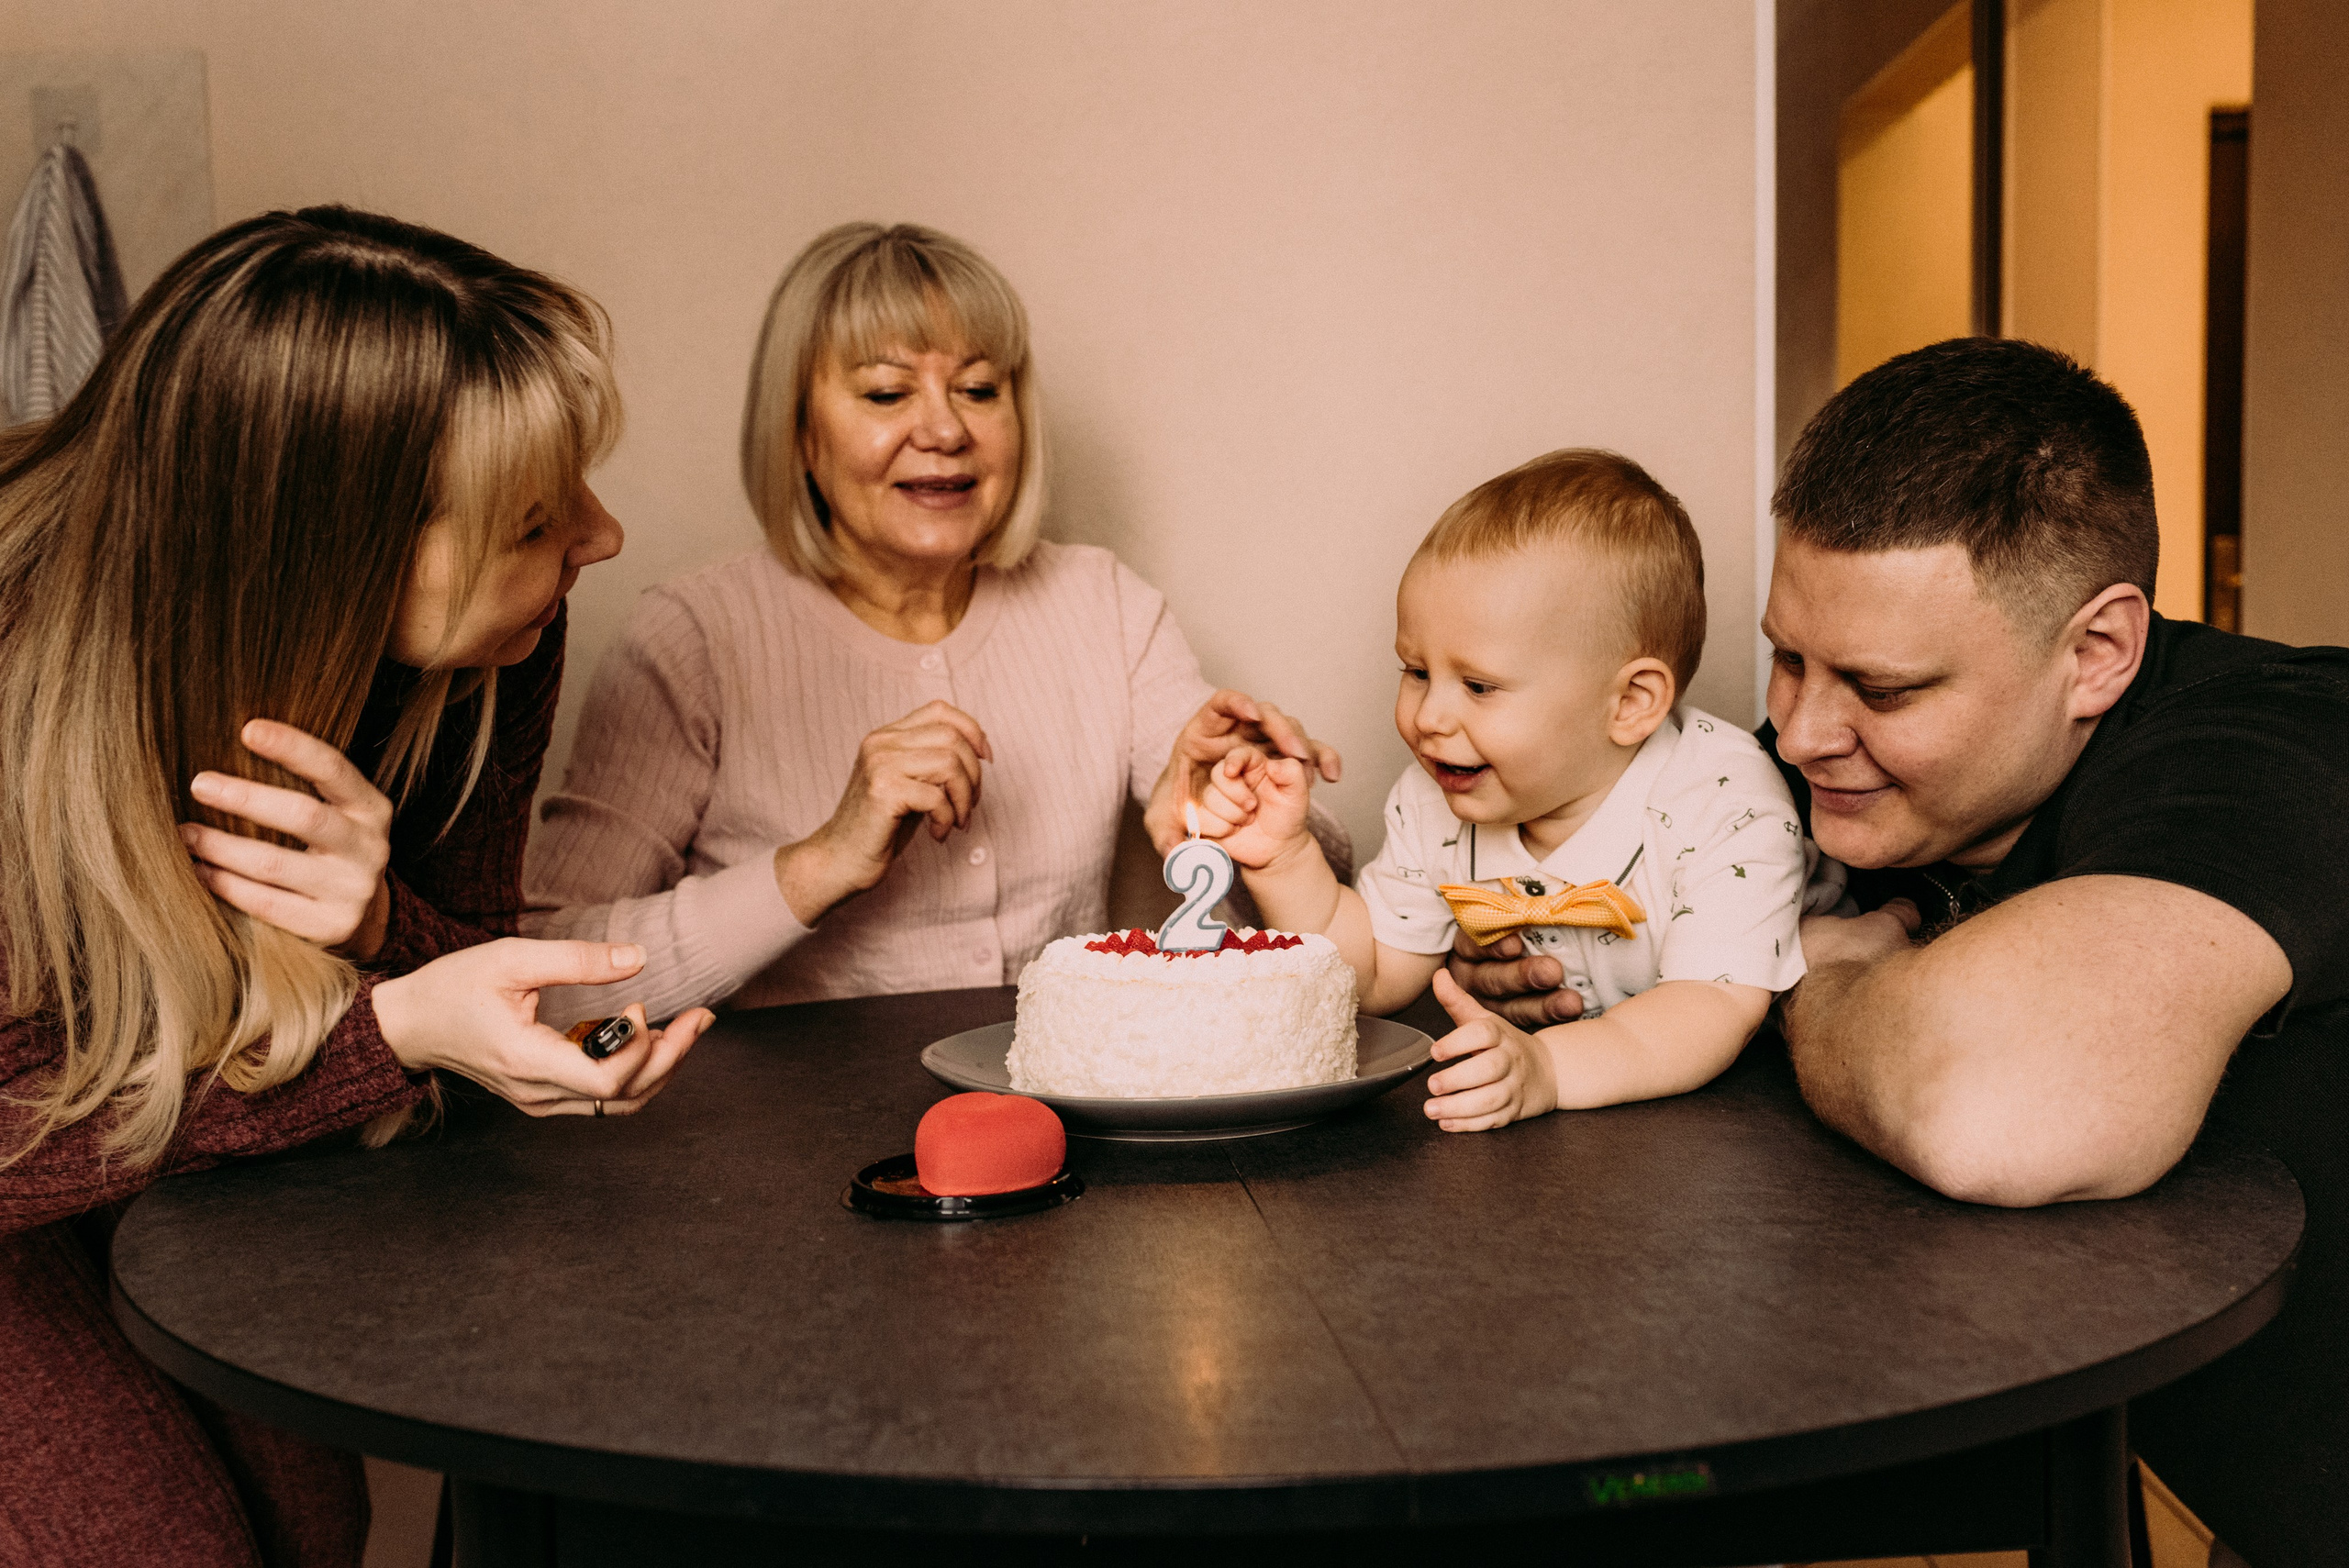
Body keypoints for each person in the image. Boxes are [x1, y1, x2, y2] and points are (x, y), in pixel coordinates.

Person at [0, 208, 711, 1567]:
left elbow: (463, 964)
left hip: (195, 1139)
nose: (604, 538)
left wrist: (390, 934)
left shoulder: (498, 641)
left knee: (313, 1526)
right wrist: (377, 1040)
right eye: (535, 521)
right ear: (335, 547)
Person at [524, 223, 1343, 1023]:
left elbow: (1322, 915)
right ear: (802, 433)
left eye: (980, 390)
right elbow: (541, 971)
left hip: (1057, 1134)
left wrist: (1249, 816)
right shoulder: (693, 639)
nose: (947, 431)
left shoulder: (1105, 605)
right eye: (886, 392)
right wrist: (818, 864)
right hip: (784, 1147)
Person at [1197, 450, 1814, 1131]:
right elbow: (1371, 972)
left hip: (1742, 1113)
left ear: (1632, 702)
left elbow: (1710, 1006)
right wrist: (1284, 859)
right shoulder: (1434, 801)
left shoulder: (1723, 798)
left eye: (1479, 686)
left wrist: (1547, 1067)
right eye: (1415, 670)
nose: (1429, 717)